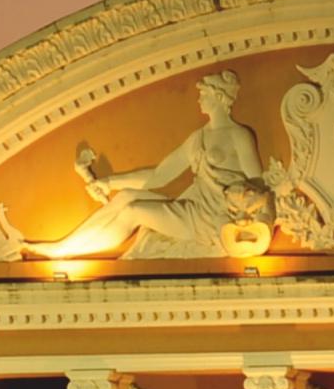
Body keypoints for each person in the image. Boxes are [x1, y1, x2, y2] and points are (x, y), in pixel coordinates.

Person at [24, 68, 268, 260]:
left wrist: (255, 224)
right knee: (126, 196)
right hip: (195, 208)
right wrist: (109, 183)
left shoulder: (239, 135)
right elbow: (160, 175)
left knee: (133, 211)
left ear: (219, 97)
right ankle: (64, 247)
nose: (199, 99)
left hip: (212, 220)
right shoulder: (198, 138)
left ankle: (64, 251)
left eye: (204, 94)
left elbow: (258, 186)